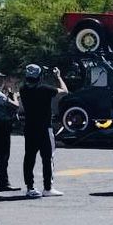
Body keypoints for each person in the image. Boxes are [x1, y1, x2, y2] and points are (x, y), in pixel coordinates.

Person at [19, 64, 68, 198]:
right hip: (44, 128)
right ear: (39, 76)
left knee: (29, 157)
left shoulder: (23, 89)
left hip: (29, 128)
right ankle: (48, 188)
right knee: (47, 158)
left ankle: (30, 187)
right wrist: (58, 77)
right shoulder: (45, 89)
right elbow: (64, 91)